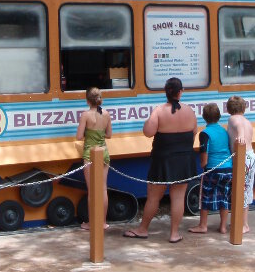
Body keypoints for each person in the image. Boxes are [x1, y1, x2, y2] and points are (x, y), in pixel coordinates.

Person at [123, 77, 198, 243]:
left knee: (153, 197)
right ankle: (174, 233)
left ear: (166, 92)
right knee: (178, 197)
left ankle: (142, 229)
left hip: (162, 159)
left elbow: (148, 132)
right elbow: (194, 132)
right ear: (181, 92)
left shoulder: (159, 111)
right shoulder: (189, 111)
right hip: (184, 158)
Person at [188, 103, 232, 235]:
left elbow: (204, 152)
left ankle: (203, 225)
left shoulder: (205, 133)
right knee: (224, 197)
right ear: (218, 116)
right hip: (228, 168)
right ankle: (223, 227)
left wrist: (203, 165)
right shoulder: (224, 131)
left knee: (205, 196)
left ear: (204, 117)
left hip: (212, 168)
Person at [76, 87, 112, 230]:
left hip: (90, 153)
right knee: (103, 189)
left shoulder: (85, 115)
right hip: (104, 153)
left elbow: (78, 136)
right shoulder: (107, 114)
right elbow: (109, 135)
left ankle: (92, 223)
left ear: (87, 100)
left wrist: (88, 134)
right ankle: (102, 222)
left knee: (92, 191)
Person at [226, 96, 255, 234]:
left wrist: (240, 135)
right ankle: (243, 223)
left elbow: (238, 126)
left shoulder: (234, 119)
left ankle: (242, 224)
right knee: (246, 190)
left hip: (243, 157)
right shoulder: (247, 121)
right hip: (251, 156)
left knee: (241, 190)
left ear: (228, 108)